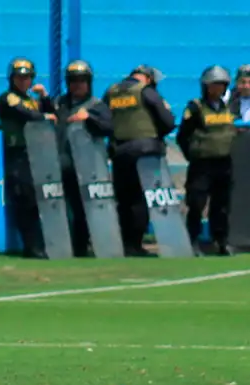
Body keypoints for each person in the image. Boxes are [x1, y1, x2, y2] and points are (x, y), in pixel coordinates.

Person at [104, 65, 176, 257]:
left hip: (120, 152)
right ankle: (135, 244)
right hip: (145, 151)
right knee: (141, 200)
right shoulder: (146, 92)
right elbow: (168, 123)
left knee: (124, 199)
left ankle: (124, 243)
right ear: (149, 78)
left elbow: (104, 120)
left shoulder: (112, 92)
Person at [0, 57, 56, 258]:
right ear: (12, 79)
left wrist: (45, 97)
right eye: (19, 77)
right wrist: (44, 116)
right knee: (26, 199)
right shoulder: (8, 98)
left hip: (37, 155)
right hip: (18, 155)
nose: (23, 81)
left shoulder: (32, 100)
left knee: (40, 200)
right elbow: (26, 115)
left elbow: (53, 115)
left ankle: (43, 244)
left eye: (27, 77)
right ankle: (32, 247)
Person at [53, 59, 113, 257]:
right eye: (72, 81)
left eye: (81, 80)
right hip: (61, 164)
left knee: (83, 210)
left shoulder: (96, 105)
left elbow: (109, 128)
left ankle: (81, 247)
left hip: (87, 168)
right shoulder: (59, 103)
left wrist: (89, 118)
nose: (77, 85)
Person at [176, 66, 237, 257]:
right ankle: (192, 241)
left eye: (221, 85)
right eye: (214, 85)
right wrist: (193, 154)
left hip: (223, 163)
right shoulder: (195, 108)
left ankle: (221, 241)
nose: (217, 89)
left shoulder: (229, 107)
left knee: (221, 205)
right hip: (202, 164)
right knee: (196, 203)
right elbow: (182, 136)